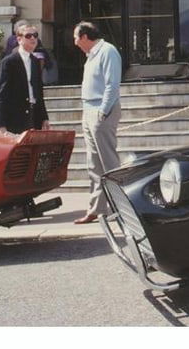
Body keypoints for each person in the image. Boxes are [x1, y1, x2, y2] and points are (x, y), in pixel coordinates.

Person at [72, 20, 122, 225]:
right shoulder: (91, 55)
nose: (75, 42)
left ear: (85, 36)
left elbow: (112, 84)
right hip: (89, 109)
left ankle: (122, 208)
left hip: (101, 110)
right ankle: (96, 209)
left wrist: (103, 111)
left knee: (109, 162)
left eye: (76, 37)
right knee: (94, 163)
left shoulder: (107, 51)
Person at [0, 20, 50, 134]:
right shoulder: (9, 62)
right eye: (28, 36)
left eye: (35, 35)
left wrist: (44, 117)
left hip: (34, 116)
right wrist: (0, 124)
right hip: (16, 118)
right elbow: (1, 95)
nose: (33, 38)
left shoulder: (35, 61)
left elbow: (39, 92)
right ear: (19, 39)